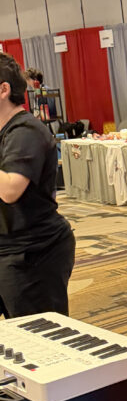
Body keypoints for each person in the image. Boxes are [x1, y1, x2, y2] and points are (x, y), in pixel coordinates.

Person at [0, 53, 76, 318]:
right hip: (9, 247)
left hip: (32, 252)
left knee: (40, 342)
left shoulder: (25, 131)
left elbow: (10, 189)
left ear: (3, 90)